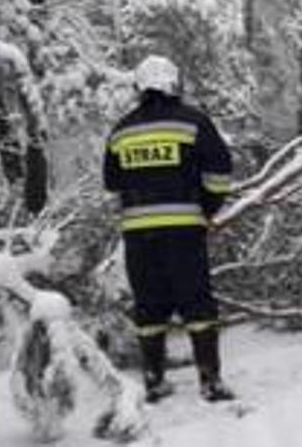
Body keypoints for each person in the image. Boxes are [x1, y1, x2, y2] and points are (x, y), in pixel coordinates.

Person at [103, 55, 237, 403]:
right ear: (173, 84)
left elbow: (111, 181)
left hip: (138, 234)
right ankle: (210, 381)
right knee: (197, 304)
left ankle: (154, 381)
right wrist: (206, 208)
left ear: (140, 87)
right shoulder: (193, 123)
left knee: (148, 306)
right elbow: (221, 171)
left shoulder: (122, 130)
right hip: (184, 230)